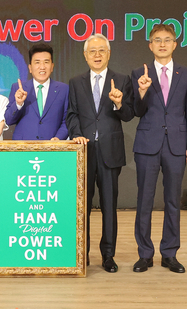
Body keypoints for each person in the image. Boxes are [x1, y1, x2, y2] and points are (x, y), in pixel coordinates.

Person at [131, 24, 187, 273]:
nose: (162, 44)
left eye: (167, 39)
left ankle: (169, 254)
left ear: (175, 43)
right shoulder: (139, 72)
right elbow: (136, 111)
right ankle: (145, 254)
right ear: (150, 45)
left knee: (172, 201)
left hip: (176, 145)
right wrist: (142, 91)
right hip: (148, 144)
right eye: (157, 40)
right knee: (144, 201)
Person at [66, 34, 134, 272]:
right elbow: (71, 114)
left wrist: (118, 103)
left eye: (101, 51)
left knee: (109, 206)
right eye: (92, 51)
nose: (97, 55)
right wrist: (76, 135)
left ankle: (108, 256)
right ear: (85, 56)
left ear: (109, 53)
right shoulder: (75, 82)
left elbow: (128, 115)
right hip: (84, 152)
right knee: (81, 206)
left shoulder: (122, 80)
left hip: (110, 152)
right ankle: (80, 254)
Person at [4, 43, 68, 140]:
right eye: (37, 62)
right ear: (30, 68)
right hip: (23, 149)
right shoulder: (18, 88)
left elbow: (67, 120)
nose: (42, 67)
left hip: (52, 148)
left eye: (46, 62)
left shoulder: (63, 89)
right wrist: (18, 103)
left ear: (52, 66)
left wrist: (58, 138)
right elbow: (8, 120)